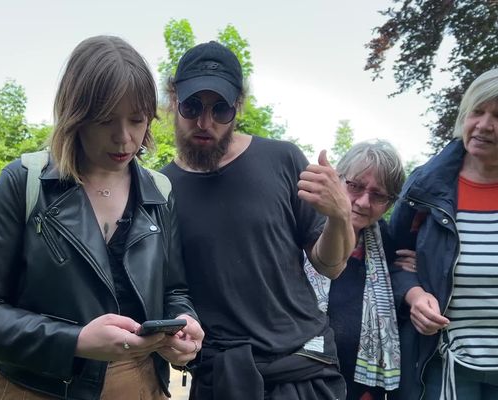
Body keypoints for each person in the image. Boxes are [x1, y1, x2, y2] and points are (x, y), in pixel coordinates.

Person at [0, 35, 203, 400]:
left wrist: (184, 325)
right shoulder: (24, 181)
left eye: (137, 119)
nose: (124, 138)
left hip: (142, 385)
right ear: (75, 116)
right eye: (105, 121)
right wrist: (76, 341)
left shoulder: (160, 192)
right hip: (36, 388)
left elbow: (174, 290)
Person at [161, 41, 355, 399]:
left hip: (300, 369)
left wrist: (340, 216)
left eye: (220, 109)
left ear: (238, 107)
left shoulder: (282, 159)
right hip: (222, 375)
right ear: (173, 101)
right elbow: (171, 290)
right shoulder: (160, 188)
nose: (205, 122)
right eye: (192, 106)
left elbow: (331, 266)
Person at [390, 68, 498, 400]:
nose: (484, 125)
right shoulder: (426, 187)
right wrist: (414, 295)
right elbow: (391, 263)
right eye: (477, 111)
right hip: (443, 362)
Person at [304, 140, 410, 400]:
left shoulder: (386, 241)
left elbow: (400, 275)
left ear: (389, 204)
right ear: (338, 180)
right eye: (355, 186)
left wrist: (413, 270)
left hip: (361, 383)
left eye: (378, 195)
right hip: (303, 374)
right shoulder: (304, 225)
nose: (363, 202)